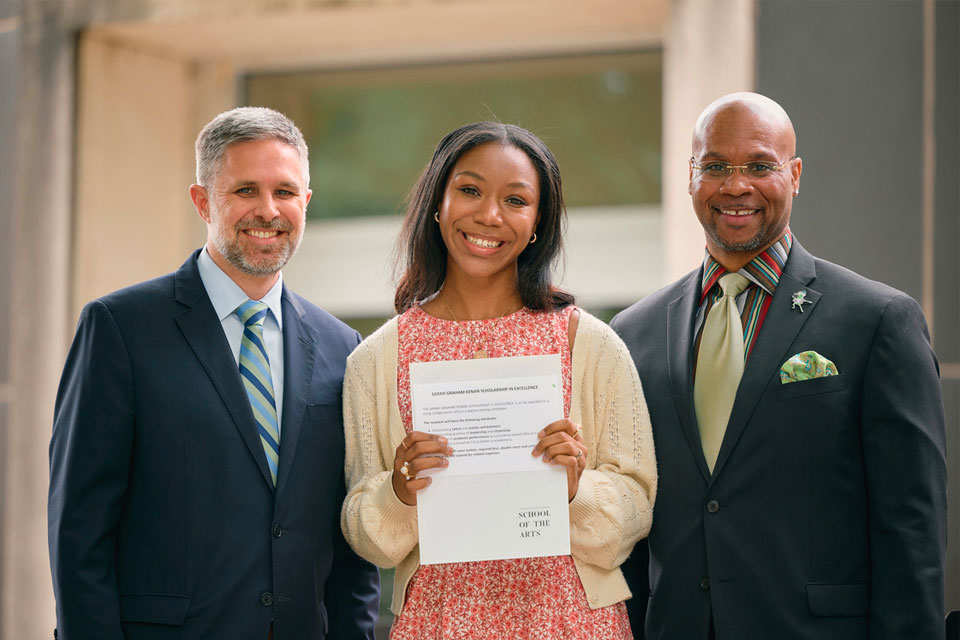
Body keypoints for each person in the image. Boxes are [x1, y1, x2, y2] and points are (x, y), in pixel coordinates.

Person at [611, 92, 947, 640]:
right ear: (690, 175)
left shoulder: (877, 321)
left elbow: (911, 530)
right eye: (715, 166)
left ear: (794, 175)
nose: (736, 186)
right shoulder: (634, 332)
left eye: (760, 166)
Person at [48, 107, 379, 639]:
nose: (268, 210)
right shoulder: (121, 328)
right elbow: (79, 532)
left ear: (306, 203)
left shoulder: (343, 347)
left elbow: (349, 546)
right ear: (203, 201)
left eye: (286, 192)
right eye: (245, 190)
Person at [340, 122, 657, 639]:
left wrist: (577, 489)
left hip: (572, 623)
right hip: (438, 624)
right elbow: (364, 533)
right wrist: (399, 492)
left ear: (537, 222)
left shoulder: (593, 346)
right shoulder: (376, 359)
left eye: (515, 199)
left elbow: (637, 510)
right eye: (469, 190)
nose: (489, 215)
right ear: (437, 203)